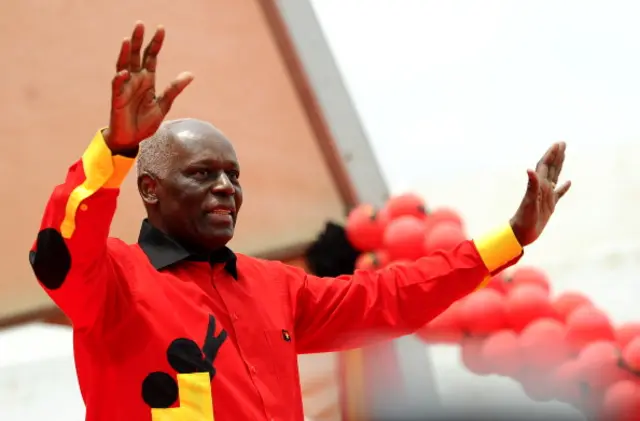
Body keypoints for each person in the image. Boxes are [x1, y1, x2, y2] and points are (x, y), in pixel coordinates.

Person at [29, 22, 570, 421]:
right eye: (202, 173)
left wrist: (510, 239)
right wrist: (117, 148)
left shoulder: (273, 287)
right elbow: (61, 249)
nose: (226, 187)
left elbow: (390, 298)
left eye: (233, 175)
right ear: (150, 189)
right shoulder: (112, 279)